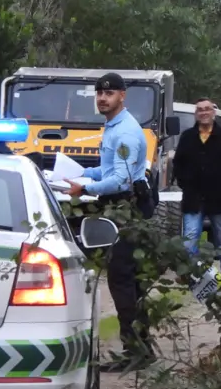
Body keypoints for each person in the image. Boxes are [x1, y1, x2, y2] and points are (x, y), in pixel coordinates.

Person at [66, 72, 157, 372]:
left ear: (122, 96)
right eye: (99, 94)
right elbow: (108, 169)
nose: (103, 98)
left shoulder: (127, 132)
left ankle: (135, 352)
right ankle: (141, 349)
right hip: (120, 208)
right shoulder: (113, 126)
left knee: (123, 280)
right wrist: (85, 173)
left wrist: (85, 189)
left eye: (110, 93)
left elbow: (120, 180)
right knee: (130, 280)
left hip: (127, 209)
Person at [174, 98, 221, 275]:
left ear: (213, 112)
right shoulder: (187, 137)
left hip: (218, 197)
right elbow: (178, 163)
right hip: (193, 197)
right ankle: (192, 272)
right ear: (196, 114)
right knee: (189, 238)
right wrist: (184, 182)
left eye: (207, 109)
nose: (204, 112)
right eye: (200, 110)